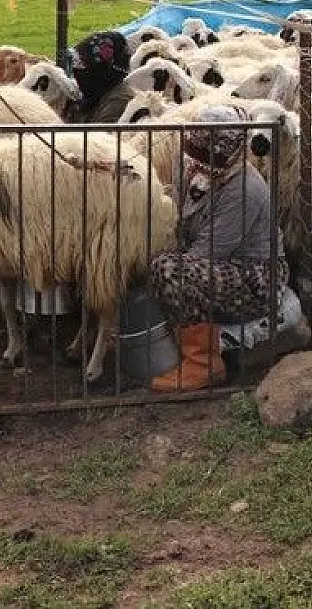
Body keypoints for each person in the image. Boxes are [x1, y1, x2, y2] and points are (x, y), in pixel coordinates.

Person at [146, 106, 280, 391]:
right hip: (212, 262)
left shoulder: (243, 189)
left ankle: (204, 364)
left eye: (210, 155)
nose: (198, 162)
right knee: (156, 261)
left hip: (255, 277)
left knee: (169, 270)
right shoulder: (192, 169)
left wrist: (164, 268)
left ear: (233, 152)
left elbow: (208, 252)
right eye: (196, 151)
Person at [65, 30, 134, 123]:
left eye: (83, 65)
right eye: (77, 65)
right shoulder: (94, 96)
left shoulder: (118, 101)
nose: (78, 71)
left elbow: (98, 136)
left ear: (101, 69)